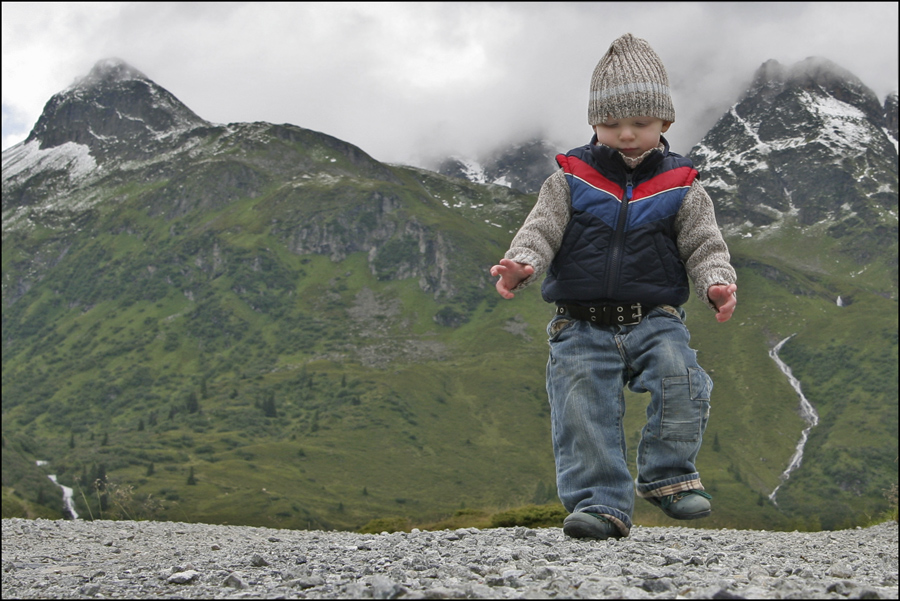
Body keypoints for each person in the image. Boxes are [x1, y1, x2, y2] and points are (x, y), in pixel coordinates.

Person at [489, 33, 737, 540]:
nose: (626, 134)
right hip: (579, 322)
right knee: (582, 411)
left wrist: (717, 283)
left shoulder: (682, 183)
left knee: (682, 382)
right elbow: (541, 228)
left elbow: (704, 243)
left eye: (640, 124)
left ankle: (669, 479)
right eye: (611, 124)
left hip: (655, 319)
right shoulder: (570, 178)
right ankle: (601, 507)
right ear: (593, 123)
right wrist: (521, 263)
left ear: (665, 122)